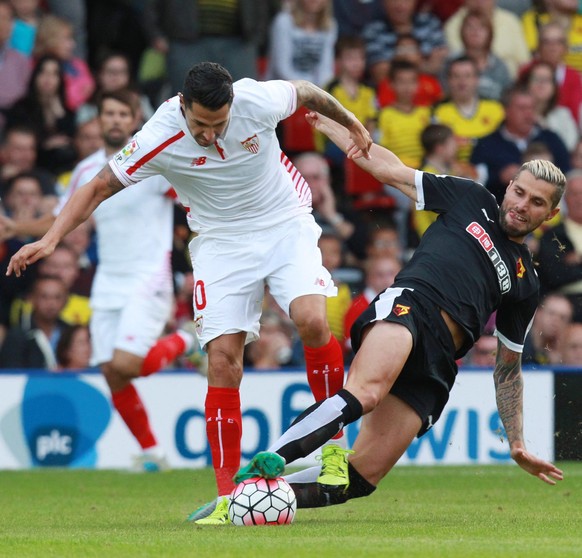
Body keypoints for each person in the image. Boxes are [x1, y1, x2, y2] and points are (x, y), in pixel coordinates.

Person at [5, 61, 373, 524]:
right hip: (220, 242)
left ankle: (334, 450)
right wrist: (51, 239)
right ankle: (226, 499)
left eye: (219, 125)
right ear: (183, 106)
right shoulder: (159, 133)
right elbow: (99, 186)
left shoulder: (256, 99)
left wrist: (354, 123)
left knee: (314, 321)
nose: (211, 136)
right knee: (222, 360)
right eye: (200, 124)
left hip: (283, 222)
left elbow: (308, 91)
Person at [234, 112, 565, 514]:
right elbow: (389, 169)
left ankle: (245, 501)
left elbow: (508, 368)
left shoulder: (526, 281)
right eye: (520, 192)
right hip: (412, 306)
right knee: (366, 393)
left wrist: (517, 443)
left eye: (536, 202)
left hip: (441, 360)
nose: (521, 205)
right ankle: (267, 462)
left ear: (549, 215)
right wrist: (337, 124)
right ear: (508, 186)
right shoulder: (471, 198)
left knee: (360, 478)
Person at [1, 89, 203, 471]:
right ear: (97, 120)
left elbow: (193, 191)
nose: (113, 120)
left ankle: (186, 340)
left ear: (133, 120)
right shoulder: (87, 169)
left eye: (121, 114)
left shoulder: (155, 162)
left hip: (148, 277)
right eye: (107, 113)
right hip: (109, 280)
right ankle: (152, 454)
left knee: (127, 364)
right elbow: (61, 218)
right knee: (111, 372)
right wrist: (17, 226)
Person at [471, 84, 571, 204]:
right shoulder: (487, 144)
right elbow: (474, 184)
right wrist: (499, 177)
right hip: (499, 213)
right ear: (506, 110)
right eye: (522, 108)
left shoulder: (550, 139)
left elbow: (568, 174)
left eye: (531, 108)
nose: (528, 114)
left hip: (547, 214)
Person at [537, 170, 582, 321]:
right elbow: (555, 275)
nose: (579, 199)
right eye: (574, 194)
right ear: (565, 199)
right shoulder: (552, 236)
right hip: (569, 303)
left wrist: (577, 260)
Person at [0, 274, 69, 369]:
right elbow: (12, 376)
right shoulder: (18, 336)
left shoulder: (71, 332)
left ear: (66, 300)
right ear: (32, 299)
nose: (51, 303)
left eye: (57, 297)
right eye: (44, 297)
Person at [266, 0, 338, 88]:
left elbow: (326, 68)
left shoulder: (330, 26)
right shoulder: (283, 21)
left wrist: (319, 90)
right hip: (281, 89)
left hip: (313, 92)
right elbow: (282, 69)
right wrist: (307, 88)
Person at [522, 292, 573, 365]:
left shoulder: (565, 353)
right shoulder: (517, 342)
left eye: (563, 318)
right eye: (551, 314)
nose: (556, 321)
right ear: (537, 314)